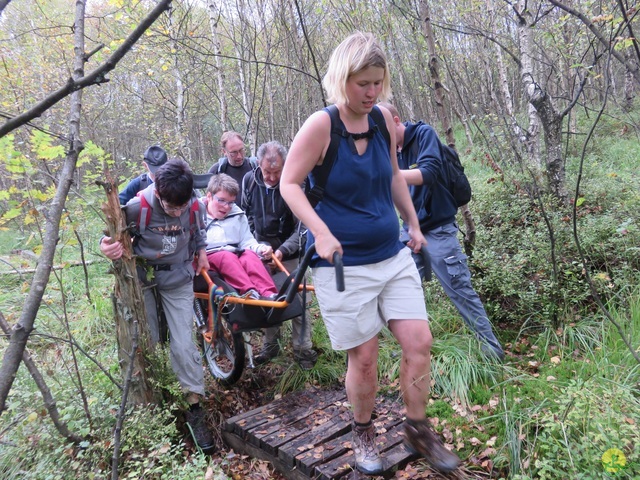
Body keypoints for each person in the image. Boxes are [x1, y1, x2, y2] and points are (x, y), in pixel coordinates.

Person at [279, 32, 461, 475]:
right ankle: (363, 430)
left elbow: (395, 176)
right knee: (364, 357)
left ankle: (417, 429)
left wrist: (412, 224)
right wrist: (319, 233)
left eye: (378, 83)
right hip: (343, 264)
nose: (372, 92)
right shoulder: (321, 125)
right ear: (343, 79)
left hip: (390, 254)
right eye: (363, 83)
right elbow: (288, 183)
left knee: (420, 343)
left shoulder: (381, 120)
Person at [100, 159, 215, 453]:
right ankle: (152, 404)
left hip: (179, 278)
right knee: (147, 342)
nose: (176, 212)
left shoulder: (195, 205)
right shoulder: (138, 208)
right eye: (170, 207)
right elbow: (109, 233)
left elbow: (198, 230)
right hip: (144, 282)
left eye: (181, 206)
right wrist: (105, 246)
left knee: (183, 344)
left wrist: (201, 252)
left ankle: (193, 406)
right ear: (157, 191)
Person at [379, 102, 505, 361]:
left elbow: (429, 172)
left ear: (397, 120)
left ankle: (492, 352)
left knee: (460, 291)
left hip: (439, 230)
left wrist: (389, 175)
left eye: (384, 128)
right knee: (400, 289)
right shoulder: (388, 150)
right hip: (409, 232)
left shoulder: (424, 135)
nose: (381, 135)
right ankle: (411, 348)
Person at [241, 141, 317, 369]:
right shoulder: (250, 181)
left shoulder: (295, 184)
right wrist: (257, 245)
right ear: (258, 164)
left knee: (299, 301)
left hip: (291, 254)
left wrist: (283, 250)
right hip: (261, 253)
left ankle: (303, 350)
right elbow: (246, 216)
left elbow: (303, 226)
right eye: (267, 171)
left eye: (277, 172)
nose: (272, 177)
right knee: (269, 299)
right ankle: (270, 344)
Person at [204, 173, 278, 299]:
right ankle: (249, 293)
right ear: (209, 196)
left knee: (249, 255)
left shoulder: (237, 214)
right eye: (221, 200)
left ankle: (269, 294)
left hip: (235, 253)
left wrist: (260, 249)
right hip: (208, 257)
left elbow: (247, 241)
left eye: (231, 202)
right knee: (226, 256)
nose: (226, 207)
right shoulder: (196, 214)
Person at [207, 131, 256, 205]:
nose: (239, 156)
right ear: (224, 151)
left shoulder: (255, 167)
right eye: (234, 153)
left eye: (241, 150)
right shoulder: (216, 171)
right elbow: (210, 202)